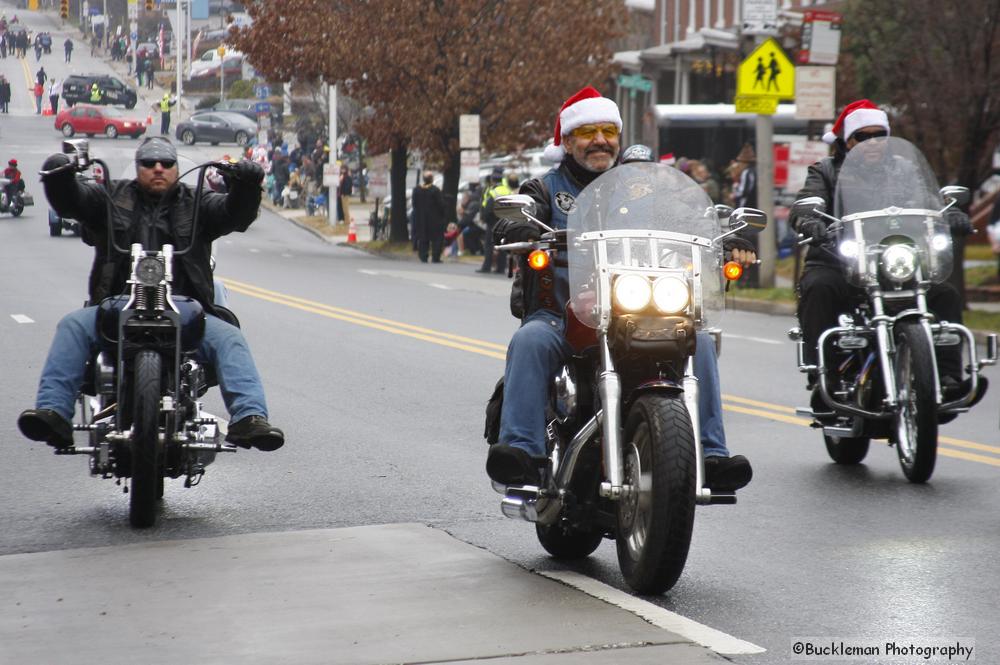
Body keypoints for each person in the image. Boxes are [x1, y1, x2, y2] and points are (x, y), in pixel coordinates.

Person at [485, 86, 754, 491]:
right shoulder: (544, 189)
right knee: (530, 341)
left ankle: (711, 455)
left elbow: (692, 219)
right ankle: (523, 452)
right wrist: (519, 224)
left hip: (641, 308)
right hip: (563, 311)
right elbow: (514, 217)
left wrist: (730, 238)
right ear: (568, 140)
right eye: (589, 131)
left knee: (698, 338)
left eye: (608, 131)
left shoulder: (644, 187)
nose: (600, 140)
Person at [17, 137, 284, 452]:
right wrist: (59, 178)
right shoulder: (110, 197)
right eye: (149, 163)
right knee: (73, 325)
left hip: (186, 310)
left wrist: (247, 187)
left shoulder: (197, 202)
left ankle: (249, 417)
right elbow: (74, 201)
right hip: (117, 306)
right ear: (138, 166)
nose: (158, 168)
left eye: (166, 163)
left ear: (175, 167)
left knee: (230, 338)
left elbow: (234, 215)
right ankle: (53, 412)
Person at [789, 99, 986, 408]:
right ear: (847, 141)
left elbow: (930, 201)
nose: (871, 143)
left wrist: (950, 215)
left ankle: (949, 378)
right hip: (840, 260)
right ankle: (823, 376)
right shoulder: (825, 171)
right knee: (819, 287)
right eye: (862, 137)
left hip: (897, 261)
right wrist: (809, 219)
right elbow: (806, 201)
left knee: (944, 293)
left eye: (878, 135)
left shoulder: (905, 169)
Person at [476, 167, 511, 274]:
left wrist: (484, 218)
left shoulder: (493, 192)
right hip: (505, 220)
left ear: (492, 180)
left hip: (493, 221)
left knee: (489, 245)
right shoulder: (507, 190)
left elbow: (488, 208)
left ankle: (486, 267)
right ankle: (501, 268)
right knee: (502, 245)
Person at [411, 170, 446, 263]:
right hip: (434, 219)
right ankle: (435, 256)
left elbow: (414, 204)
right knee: (437, 238)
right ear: (432, 179)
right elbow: (441, 204)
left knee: (423, 237)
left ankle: (423, 256)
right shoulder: (435, 190)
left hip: (421, 218)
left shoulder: (417, 190)